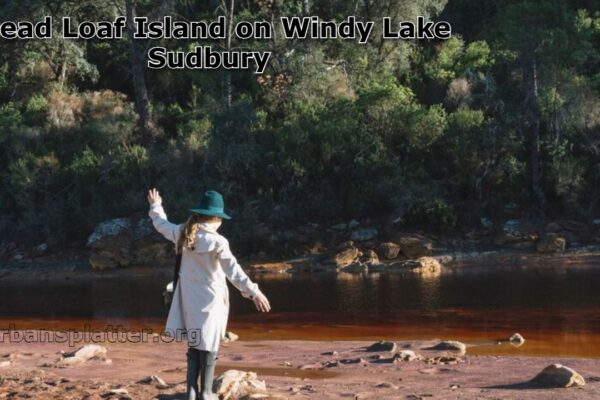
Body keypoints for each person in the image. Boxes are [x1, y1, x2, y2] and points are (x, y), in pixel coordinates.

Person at [147, 188, 271, 400]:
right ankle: (206, 393)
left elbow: (161, 225)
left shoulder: (182, 233)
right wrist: (254, 292)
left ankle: (192, 392)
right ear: (216, 218)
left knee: (194, 342)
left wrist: (155, 205)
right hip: (211, 301)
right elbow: (234, 272)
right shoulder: (218, 242)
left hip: (188, 299)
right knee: (209, 344)